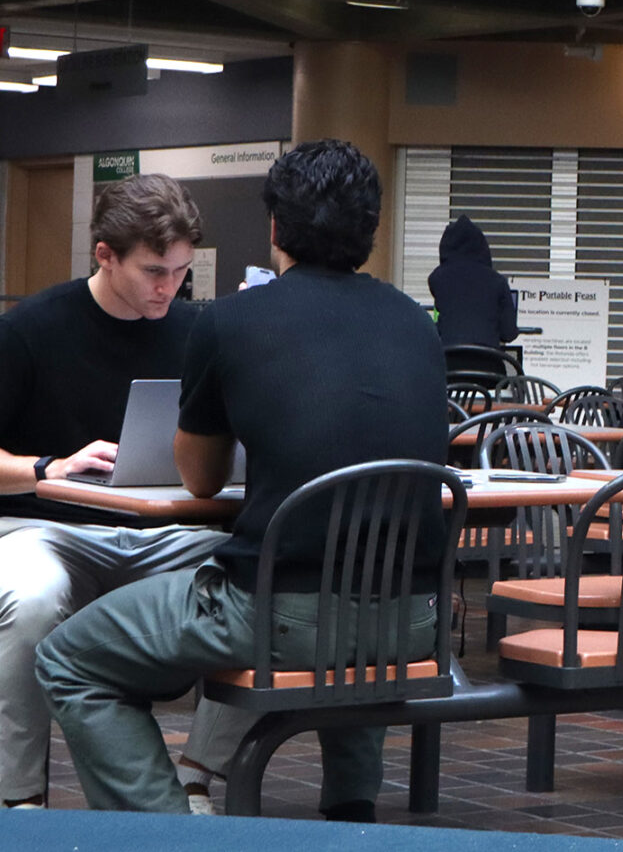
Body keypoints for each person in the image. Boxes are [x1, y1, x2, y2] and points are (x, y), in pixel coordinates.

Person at [36, 140, 449, 819]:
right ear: (370, 231)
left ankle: (169, 831)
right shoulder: (415, 324)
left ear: (275, 229)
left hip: (279, 616)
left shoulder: (230, 321)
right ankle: (352, 812)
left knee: (71, 660)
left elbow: (200, 481)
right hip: (413, 621)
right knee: (359, 582)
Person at [0, 173, 244, 812]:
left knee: (261, 584)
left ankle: (196, 775)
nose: (170, 288)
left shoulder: (200, 330)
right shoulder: (29, 329)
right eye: (154, 271)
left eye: (182, 273)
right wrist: (47, 467)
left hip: (167, 528)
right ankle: (19, 797)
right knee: (30, 598)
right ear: (104, 255)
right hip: (47, 529)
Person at [429, 215, 518, 354]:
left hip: (451, 367)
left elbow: (439, 327)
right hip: (489, 367)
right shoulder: (498, 281)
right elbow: (509, 333)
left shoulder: (437, 279)